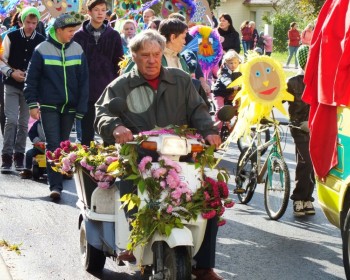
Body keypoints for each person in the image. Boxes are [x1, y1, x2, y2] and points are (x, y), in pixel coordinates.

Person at [94, 30, 223, 280]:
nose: (151, 60)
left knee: (210, 194)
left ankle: (204, 265)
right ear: (134, 56)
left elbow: (198, 109)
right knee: (129, 183)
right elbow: (102, 113)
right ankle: (134, 240)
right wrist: (115, 127)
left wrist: (209, 131)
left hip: (181, 155)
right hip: (138, 154)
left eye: (156, 54)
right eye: (145, 55)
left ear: (162, 53)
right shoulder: (121, 85)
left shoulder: (181, 80)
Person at [24, 12, 89, 200]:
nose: (72, 34)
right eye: (70, 31)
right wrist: (32, 104)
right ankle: (55, 186)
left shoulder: (77, 49)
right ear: (58, 30)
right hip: (49, 105)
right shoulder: (41, 49)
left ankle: (59, 176)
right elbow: (31, 80)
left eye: (74, 31)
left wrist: (81, 108)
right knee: (53, 145)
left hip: (70, 107)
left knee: (63, 145)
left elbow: (84, 81)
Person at [0, 7, 45, 173]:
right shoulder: (10, 36)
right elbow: (2, 59)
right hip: (11, 84)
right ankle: (6, 156)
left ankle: (19, 154)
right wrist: (11, 72)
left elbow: (42, 64)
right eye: (28, 22)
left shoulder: (41, 40)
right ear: (21, 21)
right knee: (10, 119)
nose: (31, 26)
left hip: (29, 88)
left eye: (34, 23)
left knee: (24, 122)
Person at [73, 0, 123, 146]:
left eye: (103, 10)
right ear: (89, 12)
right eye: (96, 10)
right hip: (85, 90)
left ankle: (108, 165)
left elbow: (119, 63)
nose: (100, 13)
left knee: (108, 132)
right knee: (86, 135)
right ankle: (85, 166)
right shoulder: (78, 36)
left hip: (107, 89)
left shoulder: (113, 35)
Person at [287, 45, 315, 216]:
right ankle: (298, 198)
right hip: (299, 126)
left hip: (315, 127)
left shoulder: (319, 80)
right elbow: (277, 97)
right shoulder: (293, 82)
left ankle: (307, 198)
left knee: (314, 165)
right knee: (306, 161)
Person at [212, 50, 242, 127]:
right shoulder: (224, 72)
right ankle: (217, 129)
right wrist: (231, 85)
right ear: (226, 63)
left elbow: (245, 78)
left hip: (231, 94)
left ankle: (237, 126)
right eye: (231, 63)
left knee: (241, 108)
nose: (233, 65)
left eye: (235, 63)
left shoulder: (239, 71)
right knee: (221, 110)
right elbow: (225, 79)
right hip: (220, 93)